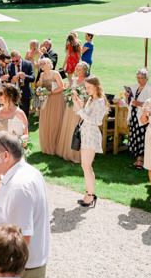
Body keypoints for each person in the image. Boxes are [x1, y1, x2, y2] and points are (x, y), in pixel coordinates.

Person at [0, 133, 50, 278]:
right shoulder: (24, 173)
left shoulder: (20, 186)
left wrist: (2, 271)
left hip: (18, 272)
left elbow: (22, 238)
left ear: (6, 155)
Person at [72, 76, 108, 208]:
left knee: (86, 166)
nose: (86, 90)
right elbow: (82, 113)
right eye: (86, 87)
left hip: (91, 135)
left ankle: (91, 195)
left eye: (89, 87)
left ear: (96, 86)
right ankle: (89, 193)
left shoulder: (100, 102)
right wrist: (76, 100)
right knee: (85, 166)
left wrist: (81, 110)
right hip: (85, 134)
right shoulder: (91, 99)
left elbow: (96, 121)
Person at [57, 62, 90, 164]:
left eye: (80, 69)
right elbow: (68, 92)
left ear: (85, 70)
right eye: (77, 69)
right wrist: (68, 94)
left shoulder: (87, 81)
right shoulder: (74, 80)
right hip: (70, 108)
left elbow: (89, 96)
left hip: (80, 108)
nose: (77, 70)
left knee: (76, 128)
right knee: (69, 127)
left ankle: (77, 154)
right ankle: (67, 151)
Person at [37, 57, 65, 155]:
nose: (43, 66)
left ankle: (55, 145)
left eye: (45, 63)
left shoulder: (55, 73)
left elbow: (62, 87)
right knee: (46, 121)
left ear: (49, 64)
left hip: (56, 99)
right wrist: (39, 89)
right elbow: (40, 85)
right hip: (46, 100)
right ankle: (47, 145)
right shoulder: (41, 74)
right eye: (41, 64)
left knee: (55, 121)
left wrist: (51, 92)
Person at [127, 68, 151, 170]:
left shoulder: (150, 88)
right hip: (134, 116)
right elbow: (130, 102)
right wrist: (127, 97)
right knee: (135, 137)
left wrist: (138, 104)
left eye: (142, 78)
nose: (139, 80)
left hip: (143, 117)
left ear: (146, 78)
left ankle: (140, 160)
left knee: (142, 138)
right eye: (138, 77)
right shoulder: (134, 87)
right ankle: (137, 158)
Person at [6, 49, 35, 117]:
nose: (15, 63)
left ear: (20, 57)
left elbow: (33, 78)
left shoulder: (28, 64)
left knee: (24, 114)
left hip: (25, 93)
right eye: (13, 61)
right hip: (13, 93)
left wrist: (25, 76)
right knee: (12, 114)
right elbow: (8, 81)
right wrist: (12, 81)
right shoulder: (10, 66)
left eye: (17, 61)